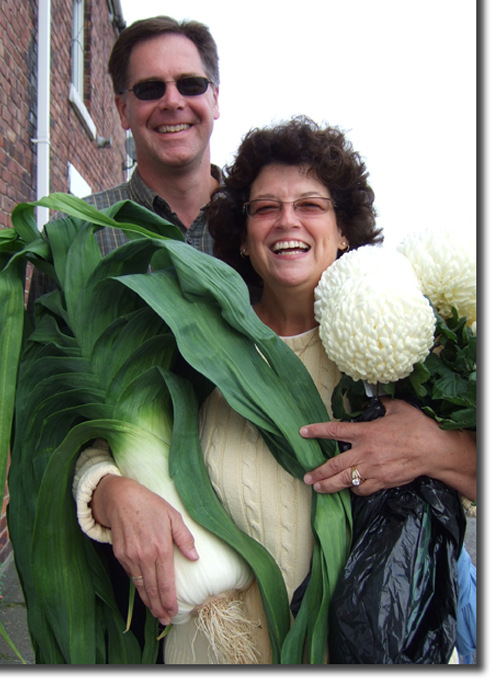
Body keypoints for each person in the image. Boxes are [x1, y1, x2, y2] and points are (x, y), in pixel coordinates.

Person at [72, 117, 476, 663]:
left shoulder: (403, 348)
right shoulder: (195, 339)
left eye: (311, 205)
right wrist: (110, 491)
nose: (288, 221)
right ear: (242, 234)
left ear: (344, 231)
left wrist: (432, 448)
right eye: (265, 208)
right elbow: (105, 432)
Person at [28, 15, 221, 305]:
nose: (172, 101)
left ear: (215, 99)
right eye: (149, 89)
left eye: (190, 84)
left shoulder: (264, 220)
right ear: (122, 110)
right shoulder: (73, 235)